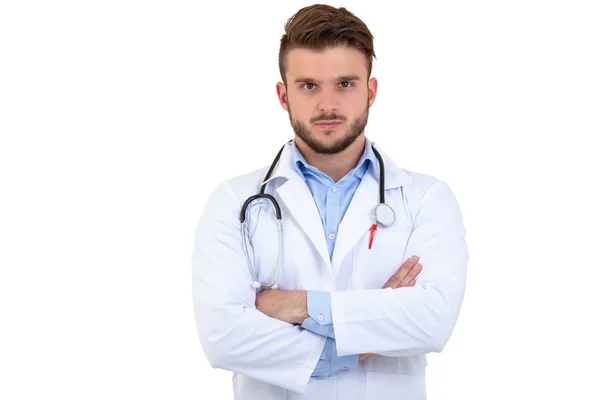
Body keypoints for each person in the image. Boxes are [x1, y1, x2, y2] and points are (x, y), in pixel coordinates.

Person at [191, 4, 469, 399]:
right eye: (308, 86)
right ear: (283, 95)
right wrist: (366, 335)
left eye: (345, 84)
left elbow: (432, 322)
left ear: (370, 91)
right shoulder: (234, 201)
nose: (327, 105)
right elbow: (222, 336)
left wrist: (293, 305)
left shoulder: (426, 199)